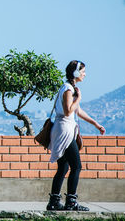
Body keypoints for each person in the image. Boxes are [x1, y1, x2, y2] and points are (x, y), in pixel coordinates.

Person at [46, 60, 106, 211]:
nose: (85, 74)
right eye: (83, 71)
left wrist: (95, 124)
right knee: (77, 166)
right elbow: (68, 111)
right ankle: (71, 202)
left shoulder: (71, 88)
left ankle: (54, 202)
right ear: (76, 73)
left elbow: (77, 111)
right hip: (64, 130)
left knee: (63, 168)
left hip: (64, 129)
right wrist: (78, 98)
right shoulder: (68, 88)